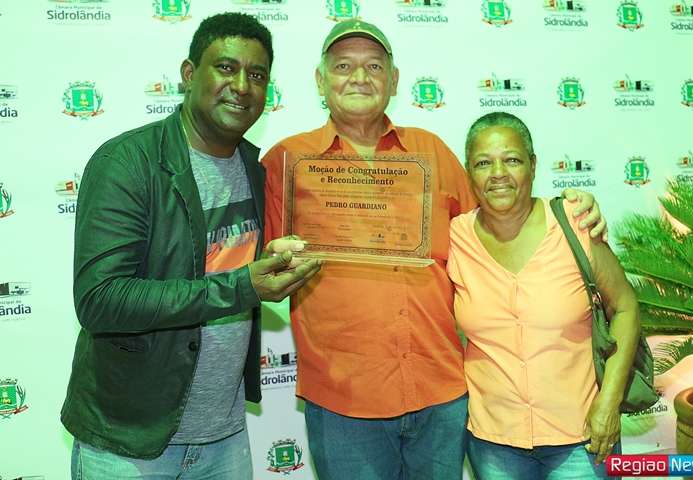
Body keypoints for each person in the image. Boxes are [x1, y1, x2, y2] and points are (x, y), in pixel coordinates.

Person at [262, 20, 607, 479]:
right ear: (320, 81)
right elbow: (263, 273)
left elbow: (497, 222)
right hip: (344, 401)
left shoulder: (432, 153)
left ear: (394, 80)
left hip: (439, 393)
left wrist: (570, 208)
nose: (359, 77)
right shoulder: (286, 162)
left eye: (374, 66)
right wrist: (276, 262)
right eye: (343, 66)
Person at [61, 12, 320, 479]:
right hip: (130, 441)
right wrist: (243, 287)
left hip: (225, 436)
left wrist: (270, 265)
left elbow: (219, 264)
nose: (241, 86)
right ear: (188, 74)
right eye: (226, 67)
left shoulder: (255, 167)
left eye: (257, 75)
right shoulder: (128, 163)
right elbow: (100, 299)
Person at [447, 112, 640, 479]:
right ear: (469, 172)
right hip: (493, 443)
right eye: (484, 163)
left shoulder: (574, 223)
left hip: (582, 438)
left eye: (512, 160)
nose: (498, 173)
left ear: (533, 165)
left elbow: (625, 307)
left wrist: (609, 402)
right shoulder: (456, 236)